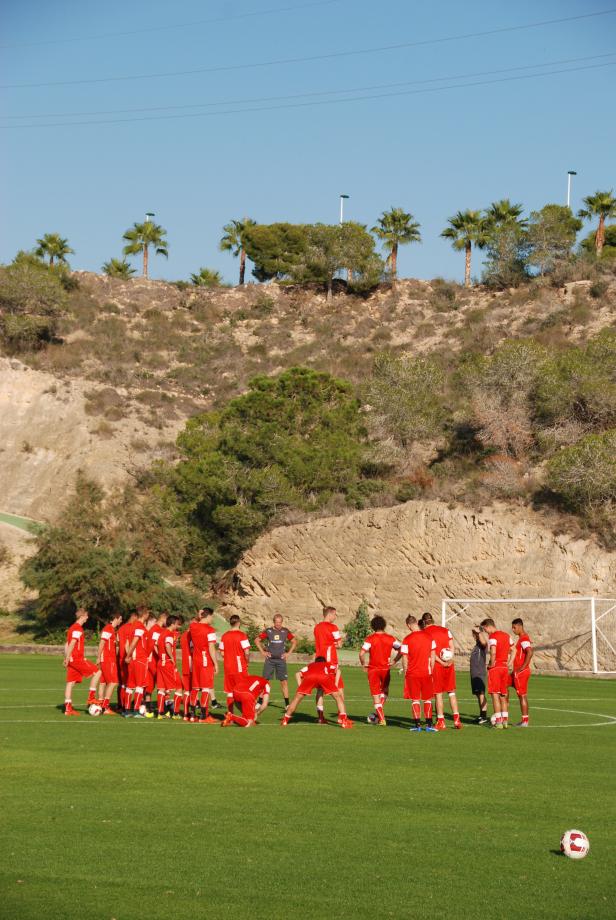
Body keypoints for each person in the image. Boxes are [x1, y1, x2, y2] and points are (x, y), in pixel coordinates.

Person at [281, 657, 353, 728]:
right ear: (324, 661)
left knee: (296, 699)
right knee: (338, 697)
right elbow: (338, 671)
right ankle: (344, 721)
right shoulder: (327, 664)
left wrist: (301, 686)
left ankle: (285, 720)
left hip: (310, 678)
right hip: (323, 677)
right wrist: (336, 684)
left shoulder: (310, 665)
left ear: (315, 661)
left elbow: (297, 674)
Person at [421, 612, 462, 731]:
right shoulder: (445, 630)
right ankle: (457, 720)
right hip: (449, 664)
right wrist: (450, 658)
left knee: (438, 693)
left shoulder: (425, 633)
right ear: (432, 619)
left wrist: (441, 662)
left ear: (424, 622)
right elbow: (452, 646)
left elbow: (430, 652)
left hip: (437, 666)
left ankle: (441, 721)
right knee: (451, 692)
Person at [359, 615, 401, 725]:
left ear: (373, 626)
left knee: (376, 694)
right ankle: (379, 714)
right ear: (384, 625)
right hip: (385, 669)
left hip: (373, 670)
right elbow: (401, 649)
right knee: (385, 691)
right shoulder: (390, 638)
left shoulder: (370, 639)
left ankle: (381, 718)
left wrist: (363, 664)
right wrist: (395, 660)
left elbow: (361, 653)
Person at [401, 615, 437, 733]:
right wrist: (431, 669)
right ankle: (429, 725)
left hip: (413, 673)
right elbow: (432, 656)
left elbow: (405, 659)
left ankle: (417, 726)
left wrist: (406, 671)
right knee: (427, 699)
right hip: (426, 672)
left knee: (415, 699)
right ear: (416, 622)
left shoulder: (407, 639)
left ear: (408, 625)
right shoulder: (429, 637)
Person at [63, 608, 101, 716]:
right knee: (98, 672)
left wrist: (66, 658)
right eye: (86, 616)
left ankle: (68, 709)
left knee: (71, 683)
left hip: (71, 659)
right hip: (77, 659)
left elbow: (67, 644)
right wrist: (67, 658)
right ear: (82, 617)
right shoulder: (77, 629)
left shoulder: (72, 628)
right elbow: (71, 644)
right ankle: (91, 698)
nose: (87, 618)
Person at [255, 614, 297, 708]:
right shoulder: (268, 631)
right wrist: (263, 652)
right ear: (273, 622)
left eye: (280, 622)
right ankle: (260, 701)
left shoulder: (285, 631)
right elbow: (257, 640)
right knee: (265, 681)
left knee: (284, 682)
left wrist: (288, 653)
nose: (278, 624)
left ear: (282, 622)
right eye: (276, 622)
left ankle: (287, 704)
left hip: (281, 661)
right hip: (269, 660)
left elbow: (294, 641)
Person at [481, 618, 514, 729]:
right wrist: (510, 663)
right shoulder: (506, 635)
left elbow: (493, 651)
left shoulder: (493, 637)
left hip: (496, 668)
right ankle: (505, 721)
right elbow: (514, 650)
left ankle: (498, 722)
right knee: (503, 695)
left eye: (485, 630)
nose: (486, 632)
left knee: (495, 695)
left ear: (487, 626)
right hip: (504, 667)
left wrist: (491, 663)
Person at [313, 606, 344, 724]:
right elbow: (339, 644)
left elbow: (320, 643)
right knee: (339, 689)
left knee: (320, 690)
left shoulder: (316, 627)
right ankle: (342, 717)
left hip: (319, 661)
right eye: (335, 614)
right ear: (330, 614)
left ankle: (320, 717)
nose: (335, 617)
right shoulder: (333, 627)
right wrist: (332, 644)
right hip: (331, 661)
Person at [188, 606, 219, 724]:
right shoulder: (210, 630)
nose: (212, 619)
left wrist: (199, 615)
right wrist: (216, 663)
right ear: (209, 616)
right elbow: (211, 647)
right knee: (206, 687)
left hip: (196, 660)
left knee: (195, 687)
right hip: (205, 660)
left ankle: (192, 715)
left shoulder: (193, 626)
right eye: (212, 616)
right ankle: (203, 716)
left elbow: (194, 621)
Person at [219, 615, 252, 712]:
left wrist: (229, 658)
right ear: (238, 623)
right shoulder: (242, 635)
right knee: (243, 690)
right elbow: (247, 652)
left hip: (228, 667)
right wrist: (247, 662)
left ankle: (230, 715)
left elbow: (222, 652)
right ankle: (247, 714)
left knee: (229, 692)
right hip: (239, 667)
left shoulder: (224, 636)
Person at [156, 615, 184, 719]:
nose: (177, 626)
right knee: (179, 687)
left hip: (160, 663)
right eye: (177, 624)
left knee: (162, 689)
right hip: (167, 663)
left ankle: (160, 713)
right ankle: (176, 713)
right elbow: (168, 645)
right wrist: (172, 657)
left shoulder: (161, 633)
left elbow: (156, 645)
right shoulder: (168, 634)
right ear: (172, 624)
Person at [124, 607, 150, 718]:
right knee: (140, 686)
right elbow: (135, 641)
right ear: (144, 614)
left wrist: (128, 655)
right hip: (140, 659)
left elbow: (126, 643)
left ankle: (127, 710)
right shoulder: (140, 627)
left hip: (133, 660)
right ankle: (136, 711)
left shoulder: (132, 626)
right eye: (148, 613)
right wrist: (129, 655)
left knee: (130, 686)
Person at [97, 612, 122, 715]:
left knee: (103, 682)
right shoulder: (108, 628)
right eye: (120, 619)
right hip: (108, 660)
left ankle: (100, 704)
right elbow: (102, 643)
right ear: (115, 618)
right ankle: (105, 706)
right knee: (113, 682)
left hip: (108, 659)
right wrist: (98, 657)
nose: (121, 621)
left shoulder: (112, 630)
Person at [510, 618, 533, 727]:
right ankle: (502, 714)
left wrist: (522, 667)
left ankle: (525, 721)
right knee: (503, 685)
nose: (513, 630)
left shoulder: (524, 639)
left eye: (514, 627)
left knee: (522, 695)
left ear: (520, 626)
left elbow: (530, 652)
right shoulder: (521, 639)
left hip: (521, 673)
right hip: (516, 672)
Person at [144, 611, 168, 716]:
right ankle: (160, 709)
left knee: (151, 685)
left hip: (151, 660)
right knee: (160, 684)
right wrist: (161, 656)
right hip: (153, 661)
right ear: (163, 618)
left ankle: (148, 707)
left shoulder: (157, 629)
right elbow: (154, 645)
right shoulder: (156, 630)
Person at [117, 611, 137, 712]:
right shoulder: (130, 627)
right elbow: (126, 643)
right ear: (133, 616)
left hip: (120, 657)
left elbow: (119, 642)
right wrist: (129, 656)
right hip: (127, 658)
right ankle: (125, 706)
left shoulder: (121, 628)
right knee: (127, 683)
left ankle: (121, 705)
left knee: (122, 683)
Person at [470, 625, 489, 724]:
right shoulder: (476, 646)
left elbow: (485, 642)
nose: (473, 635)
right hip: (474, 674)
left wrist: (479, 632)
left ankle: (484, 717)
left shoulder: (482, 645)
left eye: (474, 633)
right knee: (478, 695)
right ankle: (481, 715)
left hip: (479, 674)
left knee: (481, 694)